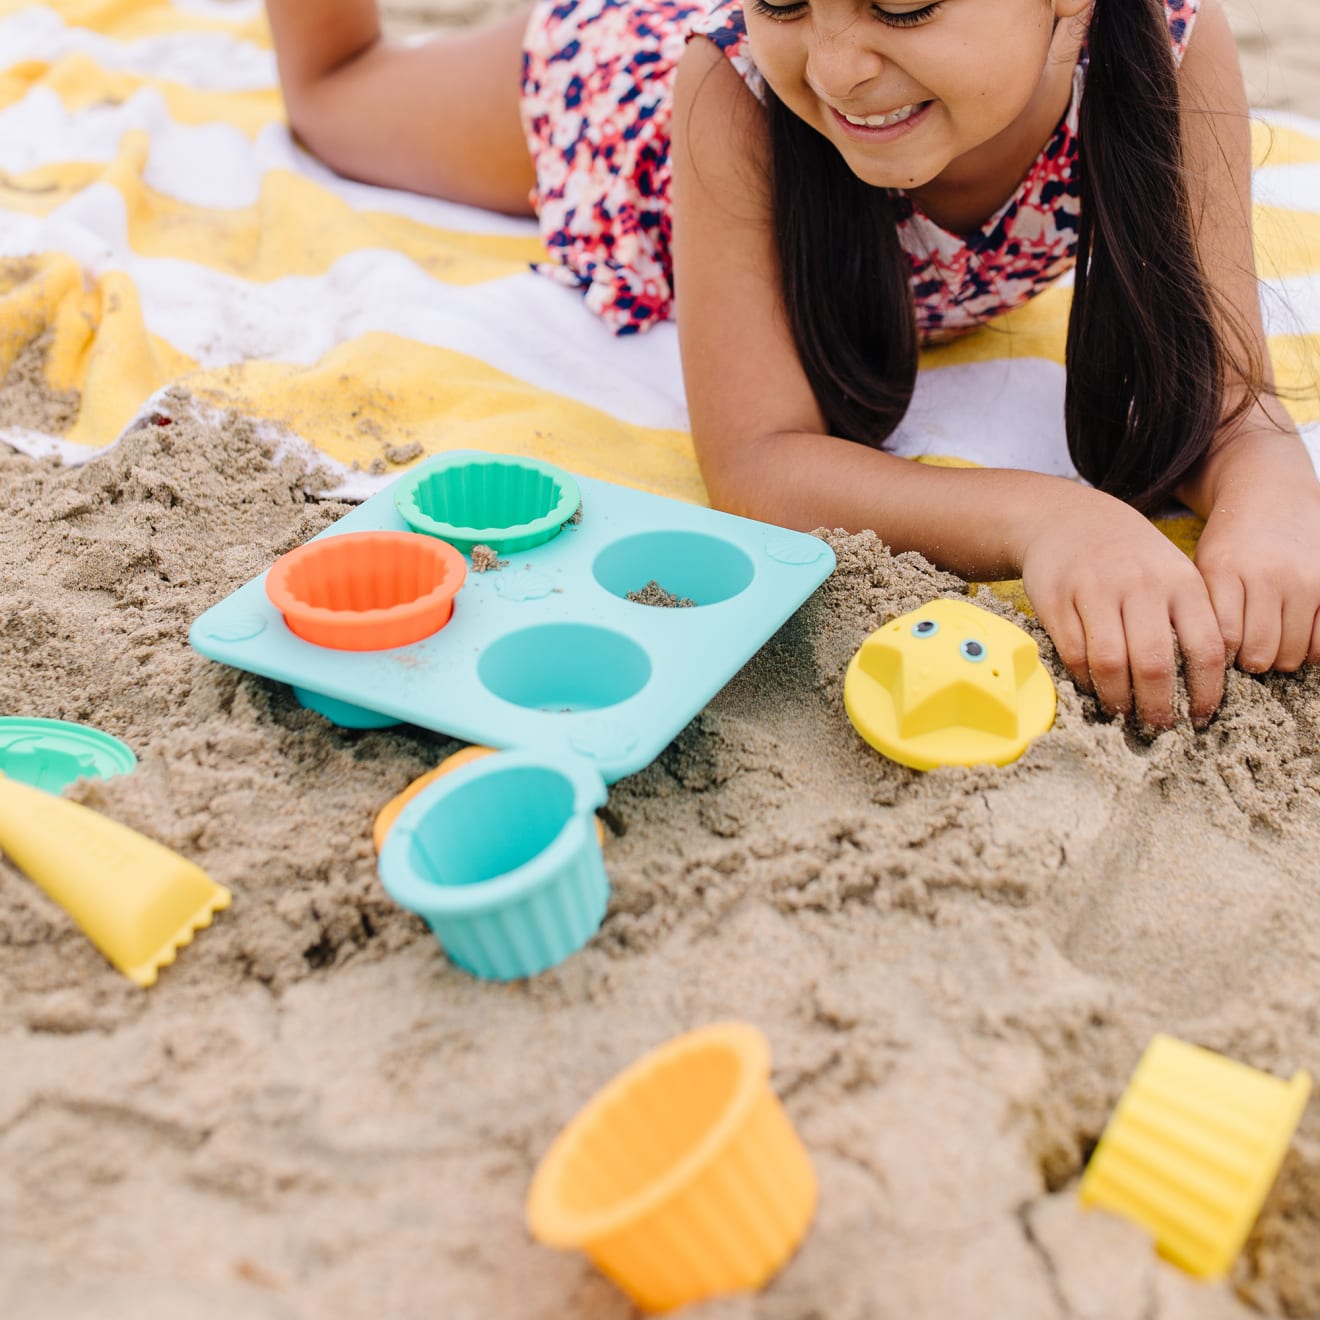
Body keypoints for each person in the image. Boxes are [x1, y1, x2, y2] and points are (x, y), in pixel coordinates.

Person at [266, 0, 1320, 731]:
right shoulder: (739, 80)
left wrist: (1270, 496)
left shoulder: (1171, 42)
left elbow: (1228, 402)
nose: (838, 67)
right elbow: (759, 463)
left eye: (904, 5)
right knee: (332, 96)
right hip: (615, 95)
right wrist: (1052, 517)